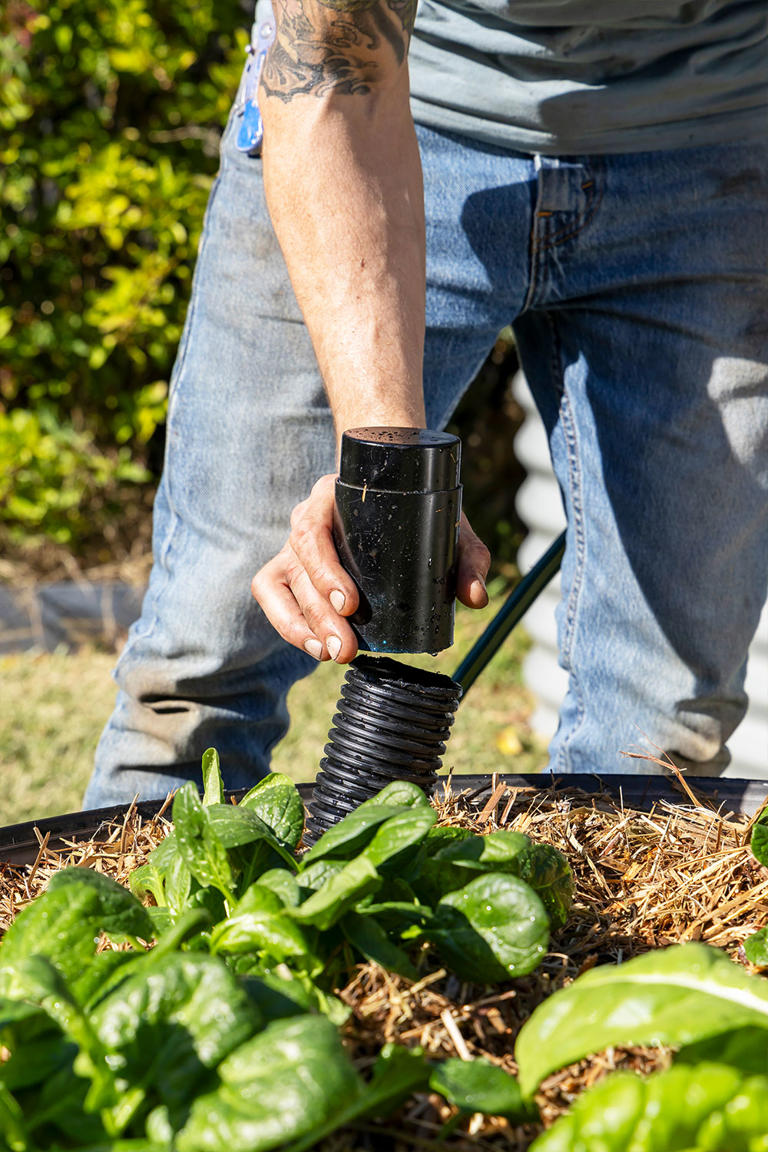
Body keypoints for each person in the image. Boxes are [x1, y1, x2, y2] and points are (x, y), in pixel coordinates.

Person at [84, 0, 768, 808]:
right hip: (386, 99)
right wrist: (386, 469)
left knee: (663, 732)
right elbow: (335, 77)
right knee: (205, 672)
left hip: (712, 142)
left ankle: (597, 938)